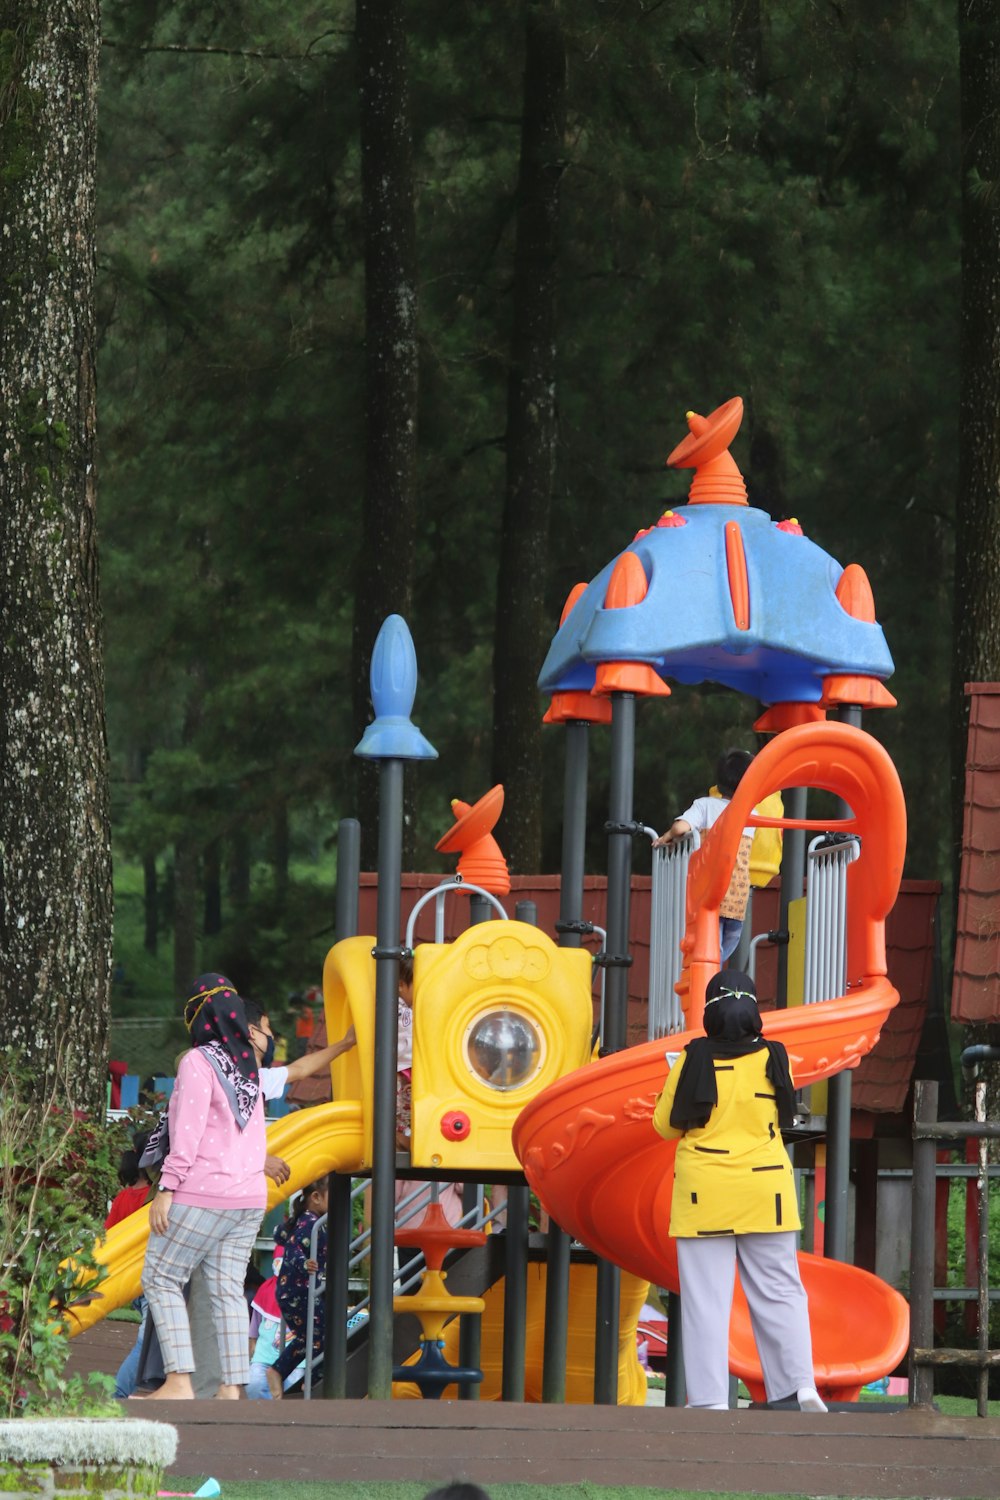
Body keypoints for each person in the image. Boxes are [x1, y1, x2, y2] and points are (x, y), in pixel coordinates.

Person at [652, 970, 826, 1413]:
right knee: (781, 1290)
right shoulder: (776, 1056)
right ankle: (799, 1385)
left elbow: (665, 1124)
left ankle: (710, 1401)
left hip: (705, 1192)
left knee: (706, 1302)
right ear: (753, 1011)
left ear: (709, 1012)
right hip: (766, 1189)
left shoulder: (693, 1058)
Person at [138, 972, 292, 1400]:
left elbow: (186, 1132)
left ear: (201, 1016)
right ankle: (230, 1388)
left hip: (203, 1192)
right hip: (248, 1199)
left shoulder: (198, 1062)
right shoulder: (248, 1064)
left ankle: (179, 1381)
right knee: (227, 1290)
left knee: (161, 1277)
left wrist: (167, 1188)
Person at [652, 747, 756, 962]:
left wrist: (668, 835)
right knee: (731, 938)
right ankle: (712, 970)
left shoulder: (705, 805)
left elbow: (681, 829)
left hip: (710, 891)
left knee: (709, 943)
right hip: (737, 892)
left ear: (718, 783)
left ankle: (707, 974)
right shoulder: (751, 813)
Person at [265, 1179, 329, 1399]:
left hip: (292, 1291)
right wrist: (304, 1264)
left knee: (313, 1334)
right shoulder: (310, 1223)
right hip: (298, 1291)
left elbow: (279, 1235)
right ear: (316, 1198)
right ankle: (292, 1375)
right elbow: (292, 1248)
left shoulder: (305, 1221)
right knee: (316, 1333)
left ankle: (302, 1377)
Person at [105, 1133, 156, 1399]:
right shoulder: (154, 1195)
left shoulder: (123, 1197)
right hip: (152, 1275)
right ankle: (119, 1394)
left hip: (133, 1281)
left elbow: (109, 1235)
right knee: (145, 1341)